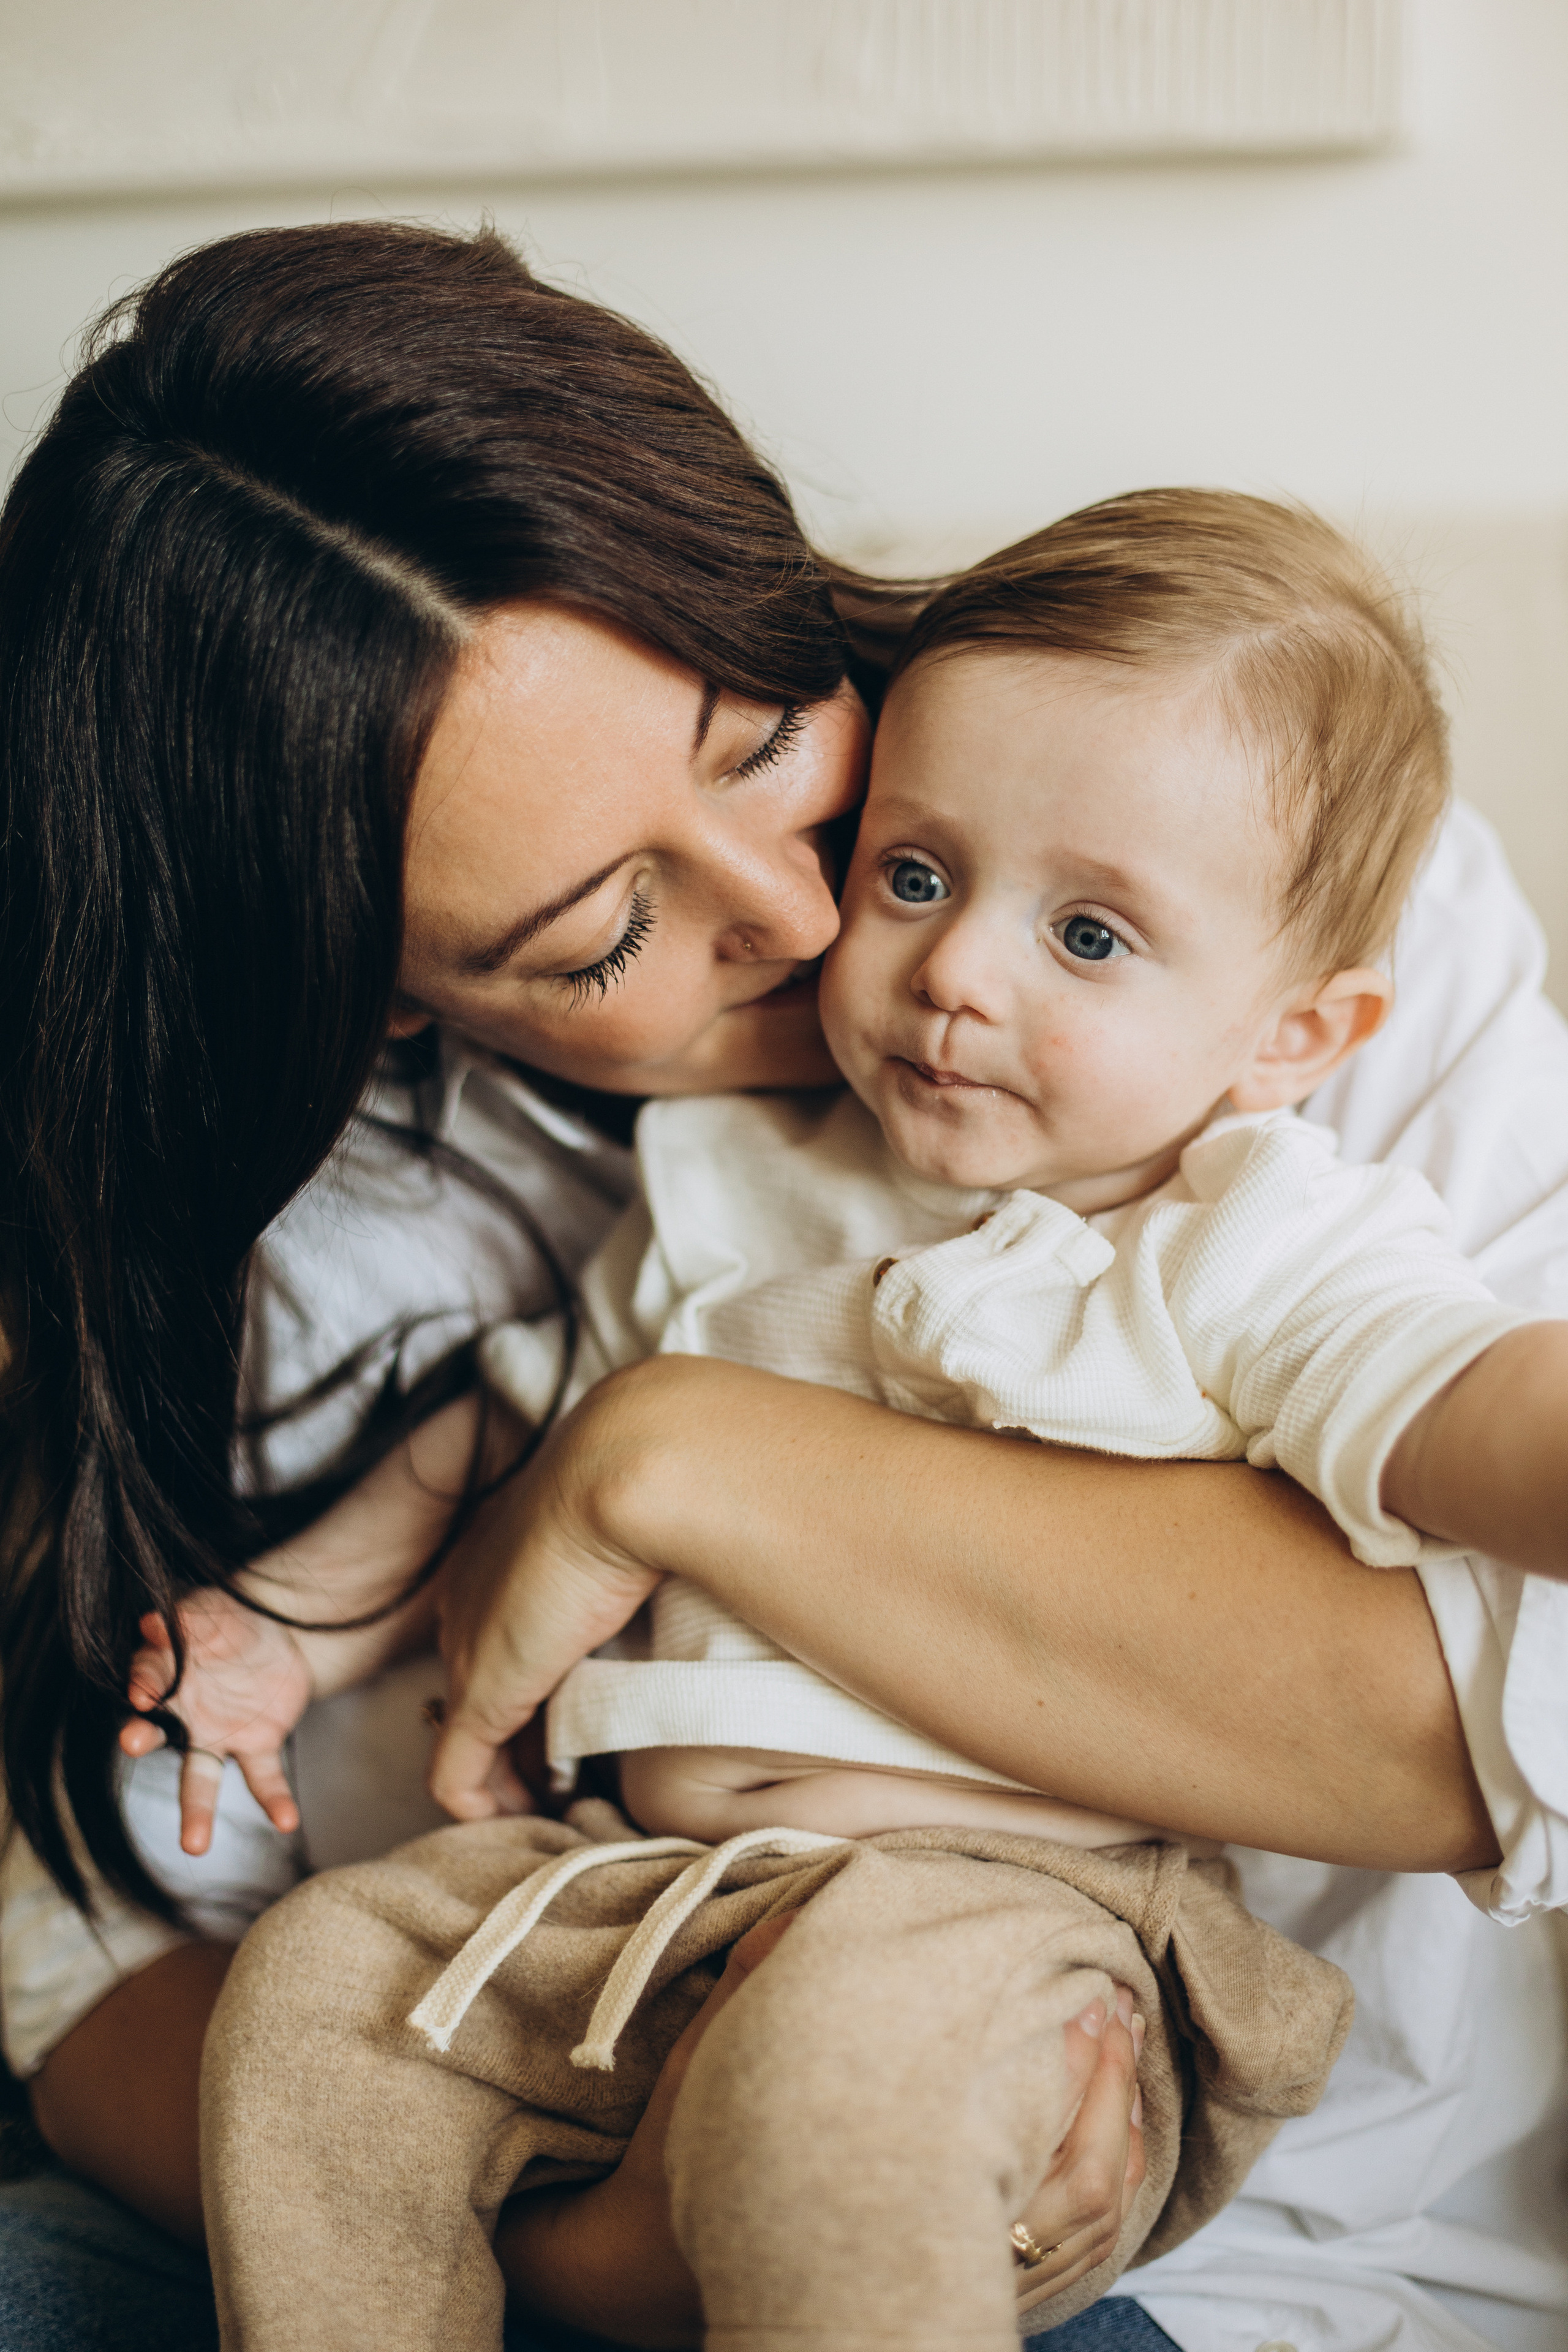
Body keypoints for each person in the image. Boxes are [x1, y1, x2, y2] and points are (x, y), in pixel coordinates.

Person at [0, 221, 1560, 2352]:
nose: (818, 920)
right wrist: (603, 2256)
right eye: (593, 937)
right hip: (586, 1987)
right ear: (375, 1012)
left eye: (763, 745)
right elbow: (90, 1948)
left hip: (1056, 2044)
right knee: (292, 2033)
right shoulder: (549, 1210)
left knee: (844, 2139)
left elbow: (1465, 1699)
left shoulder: (1223, 871)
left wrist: (678, 1460)